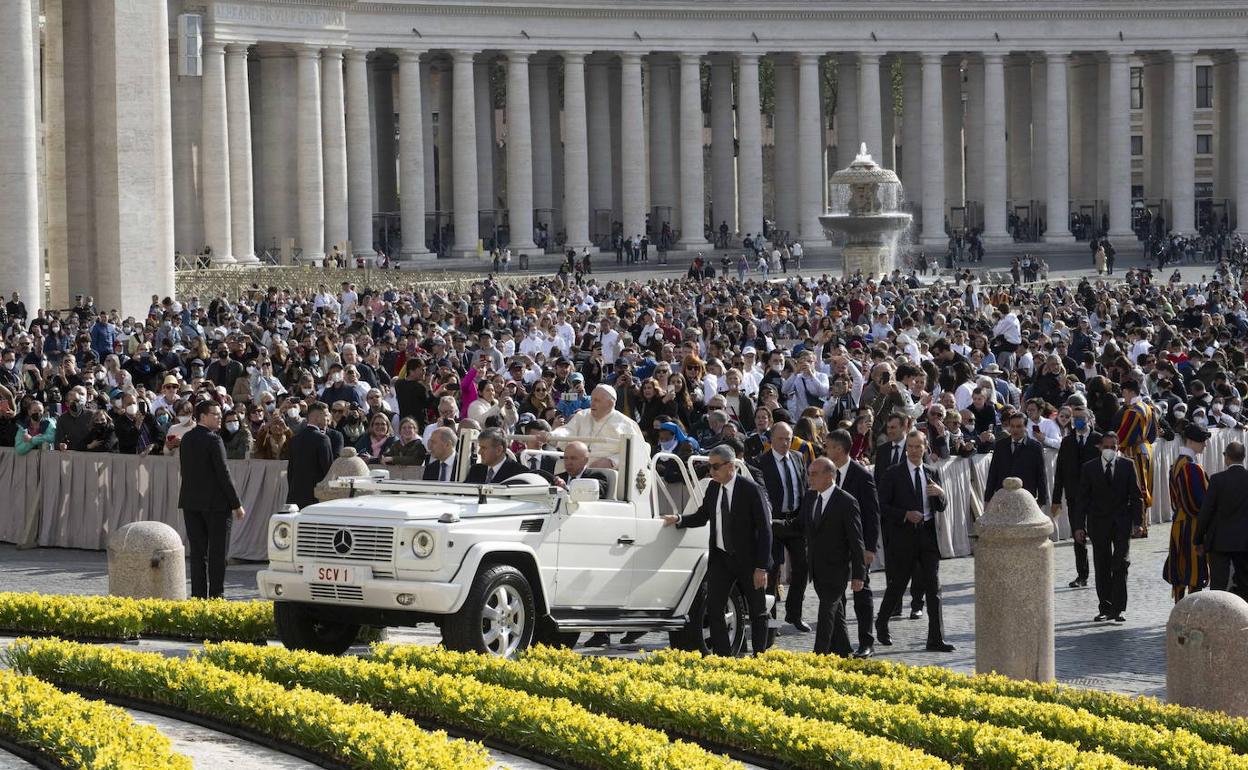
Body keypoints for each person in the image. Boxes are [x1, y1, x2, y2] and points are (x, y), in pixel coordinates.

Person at [662, 444, 772, 656]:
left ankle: (760, 656)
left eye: (715, 467)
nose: (711, 472)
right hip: (721, 558)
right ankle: (723, 656)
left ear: (730, 466)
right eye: (709, 467)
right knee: (714, 607)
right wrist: (679, 519)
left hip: (749, 560)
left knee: (758, 610)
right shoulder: (713, 488)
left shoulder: (750, 490)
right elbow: (702, 516)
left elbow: (765, 530)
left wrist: (761, 567)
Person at [875, 430, 955, 652]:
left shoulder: (931, 471)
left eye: (917, 446)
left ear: (925, 447)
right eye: (909, 447)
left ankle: (936, 638)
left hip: (927, 536)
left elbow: (941, 506)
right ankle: (881, 622)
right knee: (898, 585)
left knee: (933, 588)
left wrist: (940, 494)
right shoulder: (893, 474)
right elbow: (881, 506)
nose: (913, 451)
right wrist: (905, 514)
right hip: (903, 536)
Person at [177, 400, 245, 599]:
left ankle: (198, 596)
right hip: (216, 505)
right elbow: (223, 473)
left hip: (191, 502)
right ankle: (216, 596)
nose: (219, 418)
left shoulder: (187, 438)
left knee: (198, 553)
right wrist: (236, 504)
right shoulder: (213, 440)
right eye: (215, 414)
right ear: (203, 416)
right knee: (217, 553)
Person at [825, 428, 881, 658]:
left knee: (861, 591)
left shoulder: (862, 475)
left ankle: (866, 641)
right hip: (834, 545)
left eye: (828, 446)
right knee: (835, 594)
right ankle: (839, 643)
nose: (825, 450)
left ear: (838, 449)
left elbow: (872, 514)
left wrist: (869, 547)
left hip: (857, 545)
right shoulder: (826, 473)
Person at [1075, 433, 1142, 622]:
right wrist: (1079, 526)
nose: (1110, 450)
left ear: (1118, 447)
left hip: (1121, 522)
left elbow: (1136, 496)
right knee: (1102, 564)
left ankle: (1118, 608)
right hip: (1098, 523)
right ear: (1099, 447)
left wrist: (1138, 523)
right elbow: (1082, 499)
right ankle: (1105, 606)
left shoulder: (1127, 465)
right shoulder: (1089, 468)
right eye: (1106, 446)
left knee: (1121, 563)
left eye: (1114, 447)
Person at [802, 457, 866, 656]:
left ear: (829, 476)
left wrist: (858, 575)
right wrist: (768, 524)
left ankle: (818, 656)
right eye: (809, 473)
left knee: (826, 613)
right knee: (836, 614)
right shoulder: (811, 497)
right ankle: (844, 650)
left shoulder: (846, 501)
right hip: (816, 568)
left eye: (814, 474)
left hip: (837, 569)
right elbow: (797, 525)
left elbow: (856, 541)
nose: (809, 478)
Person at [753, 421, 809, 631]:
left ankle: (794, 614)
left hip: (795, 521)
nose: (786, 443)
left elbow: (803, 488)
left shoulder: (797, 457)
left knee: (802, 568)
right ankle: (770, 619)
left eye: (789, 438)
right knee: (772, 570)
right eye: (781, 439)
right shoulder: (761, 462)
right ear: (771, 440)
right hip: (773, 523)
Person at [1051, 404, 1102, 588]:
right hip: (1074, 497)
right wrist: (1056, 499)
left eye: (1081, 417)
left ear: (1089, 419)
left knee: (1098, 535)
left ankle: (1102, 571)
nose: (1078, 421)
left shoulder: (1098, 440)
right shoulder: (1067, 441)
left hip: (1096, 496)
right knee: (1078, 536)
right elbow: (1060, 472)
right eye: (1075, 418)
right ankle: (1082, 574)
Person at [1163, 423, 1211, 602]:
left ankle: (1182, 608)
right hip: (1191, 524)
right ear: (1190, 441)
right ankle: (1189, 611)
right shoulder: (1190, 466)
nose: (1204, 445)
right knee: (1193, 570)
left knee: (1182, 568)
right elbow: (1196, 502)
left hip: (1181, 521)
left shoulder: (1178, 463)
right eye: (1201, 441)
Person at [543, 383, 643, 469]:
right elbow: (567, 431)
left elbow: (639, 451)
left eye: (597, 400)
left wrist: (612, 461)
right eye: (592, 399)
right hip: (577, 469)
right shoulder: (582, 415)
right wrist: (552, 435)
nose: (592, 404)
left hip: (608, 473)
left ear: (610, 403)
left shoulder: (626, 424)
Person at [1196, 441, 1248, 599]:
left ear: (1227, 458)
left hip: (1220, 540)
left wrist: (1198, 539)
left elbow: (1206, 512)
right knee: (1246, 583)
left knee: (1218, 585)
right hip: (1245, 540)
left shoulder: (1217, 480)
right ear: (1243, 457)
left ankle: (1216, 619)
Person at [1115, 380, 1157, 538]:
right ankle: (1143, 524)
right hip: (1146, 448)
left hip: (1135, 451)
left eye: (1124, 393)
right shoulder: (1147, 407)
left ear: (1131, 392)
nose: (1123, 396)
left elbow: (1123, 435)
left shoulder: (1133, 411)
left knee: (1138, 488)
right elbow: (1153, 434)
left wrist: (1113, 445)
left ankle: (1139, 525)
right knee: (1144, 486)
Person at [984, 411, 1049, 505]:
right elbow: (993, 472)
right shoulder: (1000, 445)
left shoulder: (1035, 447)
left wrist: (1042, 501)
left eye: (1019, 426)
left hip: (1026, 498)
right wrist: (988, 498)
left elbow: (1041, 475)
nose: (1015, 430)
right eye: (1012, 426)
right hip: (1003, 497)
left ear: (1025, 427)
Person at [286, 401, 334, 509]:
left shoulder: (295, 439)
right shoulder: (323, 439)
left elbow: (291, 471)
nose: (327, 419)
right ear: (316, 417)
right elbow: (328, 470)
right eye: (326, 415)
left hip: (294, 497)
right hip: (315, 499)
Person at [464, 427, 529, 483]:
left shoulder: (519, 474)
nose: (479, 452)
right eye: (480, 447)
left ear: (499, 450)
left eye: (484, 448)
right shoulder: (475, 470)